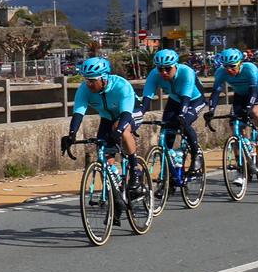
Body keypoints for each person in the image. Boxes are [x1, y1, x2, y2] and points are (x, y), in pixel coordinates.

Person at [61, 55, 146, 191]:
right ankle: (115, 190)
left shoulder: (121, 85)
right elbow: (78, 113)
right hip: (108, 118)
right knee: (104, 151)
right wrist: (71, 134)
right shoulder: (84, 89)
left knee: (121, 129)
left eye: (92, 81)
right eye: (86, 80)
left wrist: (117, 132)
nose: (89, 84)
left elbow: (125, 114)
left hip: (131, 112)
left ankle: (135, 169)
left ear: (104, 78)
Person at [139, 48, 206, 174]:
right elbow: (147, 97)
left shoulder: (186, 72)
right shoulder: (154, 74)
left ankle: (196, 155)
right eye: (160, 69)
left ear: (175, 66)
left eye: (168, 69)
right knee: (166, 132)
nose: (164, 72)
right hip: (175, 100)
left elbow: (186, 97)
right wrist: (139, 114)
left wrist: (181, 114)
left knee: (184, 121)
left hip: (194, 100)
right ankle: (167, 173)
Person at [211, 47, 258, 162]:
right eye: (226, 66)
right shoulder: (221, 72)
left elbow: (253, 90)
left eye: (232, 66)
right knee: (235, 126)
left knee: (256, 112)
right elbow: (215, 92)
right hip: (240, 96)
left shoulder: (249, 68)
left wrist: (249, 107)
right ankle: (241, 166)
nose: (229, 70)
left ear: (240, 63)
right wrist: (211, 110)